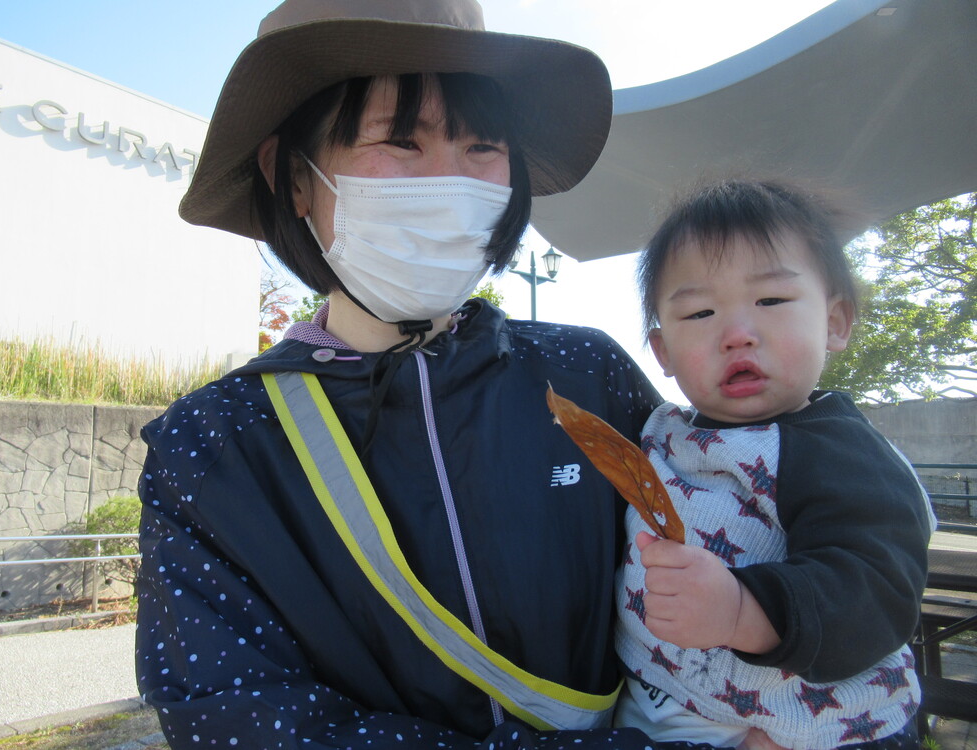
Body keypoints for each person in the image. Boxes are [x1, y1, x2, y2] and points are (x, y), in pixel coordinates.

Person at [134, 1, 732, 748]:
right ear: (292, 176)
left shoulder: (590, 373)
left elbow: (742, 539)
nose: (452, 183)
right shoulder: (213, 449)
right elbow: (237, 718)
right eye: (401, 141)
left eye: (484, 146)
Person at [614, 179, 935, 749]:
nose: (737, 334)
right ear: (661, 352)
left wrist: (743, 610)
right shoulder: (658, 435)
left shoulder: (838, 452)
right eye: (700, 312)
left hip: (816, 726)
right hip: (667, 702)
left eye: (772, 301)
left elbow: (877, 590)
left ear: (835, 322)